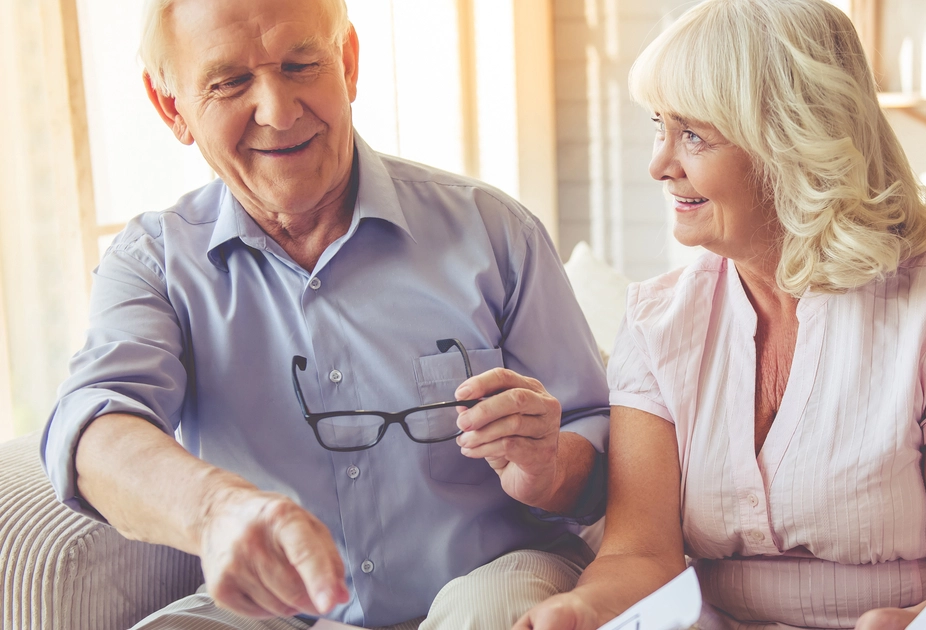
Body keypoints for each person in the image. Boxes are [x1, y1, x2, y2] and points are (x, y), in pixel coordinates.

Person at [41, 0, 610, 628]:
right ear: (171, 106)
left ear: (348, 62)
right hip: (278, 612)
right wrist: (218, 511)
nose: (279, 112)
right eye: (230, 82)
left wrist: (552, 464)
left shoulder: (493, 231)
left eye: (301, 63)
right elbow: (95, 425)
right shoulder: (153, 262)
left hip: (494, 579)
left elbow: (602, 443)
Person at [516, 1, 926, 629]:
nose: (660, 166)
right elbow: (640, 553)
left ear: (794, 142)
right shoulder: (657, 319)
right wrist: (578, 610)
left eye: (693, 136)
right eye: (660, 127)